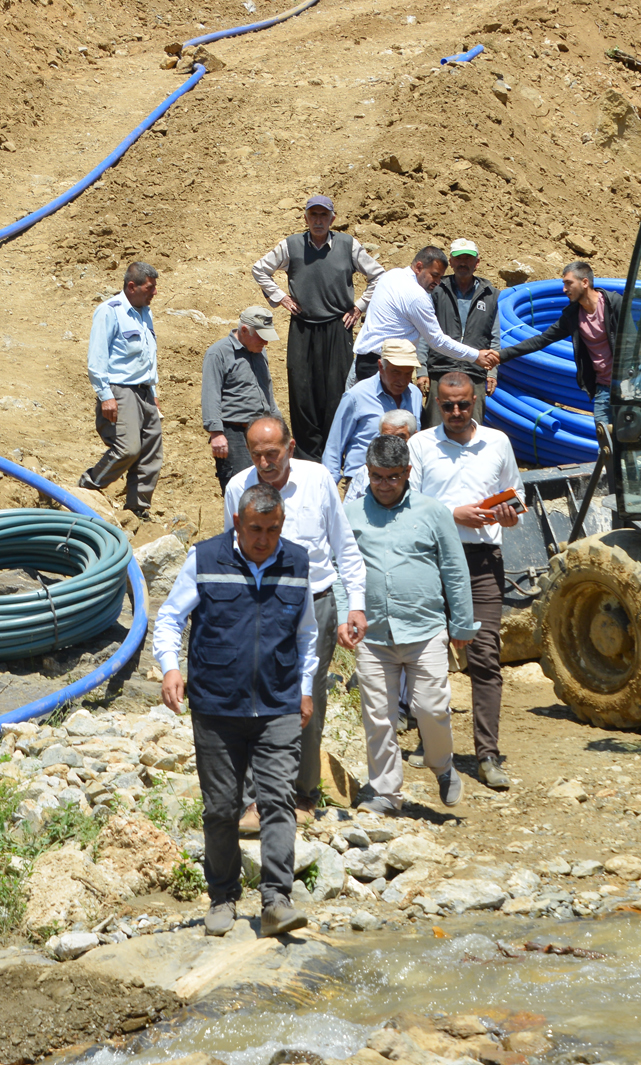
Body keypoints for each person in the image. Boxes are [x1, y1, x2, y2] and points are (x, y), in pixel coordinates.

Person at [153, 482, 316, 939]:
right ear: (237, 525)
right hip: (217, 706)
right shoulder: (205, 560)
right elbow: (169, 618)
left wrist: (304, 689)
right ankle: (222, 897)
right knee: (221, 808)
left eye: (273, 529)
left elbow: (307, 636)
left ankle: (276, 901)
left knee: (278, 799)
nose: (264, 539)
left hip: (279, 704)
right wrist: (169, 669)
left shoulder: (298, 563)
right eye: (255, 529)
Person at [223, 415, 367, 822]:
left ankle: (303, 794)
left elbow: (344, 546)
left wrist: (354, 604)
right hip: (260, 606)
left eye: (273, 453)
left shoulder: (318, 479)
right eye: (257, 455)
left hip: (316, 604)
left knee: (309, 699)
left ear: (291, 445)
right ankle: (255, 798)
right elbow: (231, 555)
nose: (266, 462)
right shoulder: (238, 488)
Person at [345, 433, 474, 814]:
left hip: (425, 629)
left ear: (407, 473)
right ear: (367, 473)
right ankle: (386, 793)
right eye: (376, 476)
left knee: (431, 707)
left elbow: (454, 567)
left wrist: (462, 623)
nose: (384, 485)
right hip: (373, 635)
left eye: (393, 477)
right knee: (379, 716)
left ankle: (443, 766)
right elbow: (340, 570)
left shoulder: (433, 512)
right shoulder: (351, 515)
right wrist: (343, 615)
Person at [409, 371, 520, 791]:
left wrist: (510, 512)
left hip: (482, 560)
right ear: (437, 403)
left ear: (475, 401)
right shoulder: (420, 445)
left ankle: (487, 754)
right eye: (448, 405)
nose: (456, 412)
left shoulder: (498, 443)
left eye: (463, 404)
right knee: (428, 654)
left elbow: (516, 492)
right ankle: (431, 742)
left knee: (486, 656)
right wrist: (452, 514)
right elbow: (410, 503)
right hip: (433, 560)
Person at [250, 196, 385, 469]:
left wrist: (359, 307)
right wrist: (281, 298)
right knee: (302, 391)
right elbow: (259, 269)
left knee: (337, 390)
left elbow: (378, 275)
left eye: (324, 215)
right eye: (314, 215)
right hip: (302, 326)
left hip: (339, 327)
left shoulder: (347, 245)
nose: (319, 220)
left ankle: (335, 456)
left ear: (333, 218)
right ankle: (308, 458)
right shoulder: (292, 245)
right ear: (306, 218)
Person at [350, 245, 501, 386]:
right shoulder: (417, 296)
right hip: (387, 366)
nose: (437, 282)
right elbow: (437, 341)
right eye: (434, 275)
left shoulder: (392, 275)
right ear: (419, 267)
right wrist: (476, 356)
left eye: (440, 277)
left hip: (365, 360)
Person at [80, 261, 162, 518]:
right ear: (131, 286)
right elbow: (97, 358)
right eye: (150, 288)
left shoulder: (144, 313)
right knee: (128, 448)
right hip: (121, 390)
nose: (154, 293)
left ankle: (137, 508)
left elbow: (149, 356)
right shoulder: (109, 311)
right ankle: (89, 485)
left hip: (145, 391)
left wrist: (155, 394)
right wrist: (106, 396)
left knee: (151, 451)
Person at [498, 260, 619, 425]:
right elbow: (542, 340)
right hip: (603, 390)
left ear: (585, 282)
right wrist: (501, 355)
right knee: (605, 445)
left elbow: (633, 344)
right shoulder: (573, 316)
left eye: (569, 283)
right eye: (564, 284)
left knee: (630, 443)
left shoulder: (614, 304)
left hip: (625, 387)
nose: (564, 290)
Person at [201, 306, 281, 492]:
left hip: (262, 431)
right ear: (244, 330)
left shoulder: (260, 351)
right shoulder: (218, 353)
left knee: (268, 487)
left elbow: (267, 391)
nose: (266, 343)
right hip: (234, 433)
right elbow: (210, 393)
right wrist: (216, 433)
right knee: (240, 489)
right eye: (261, 337)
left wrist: (279, 426)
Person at [326, 339, 424, 489]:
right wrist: (328, 489)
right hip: (363, 483)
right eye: (396, 372)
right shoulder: (356, 396)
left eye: (408, 373)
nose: (402, 380)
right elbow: (334, 445)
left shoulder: (415, 395)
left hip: (403, 481)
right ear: (380, 367)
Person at [423, 239, 500, 428]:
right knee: (434, 430)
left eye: (468, 258)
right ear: (451, 261)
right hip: (440, 371)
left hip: (475, 374)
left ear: (477, 262)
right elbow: (425, 332)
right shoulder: (437, 290)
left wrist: (492, 372)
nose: (463, 263)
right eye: (458, 258)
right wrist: (421, 370)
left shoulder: (490, 294)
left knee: (472, 431)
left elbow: (494, 337)